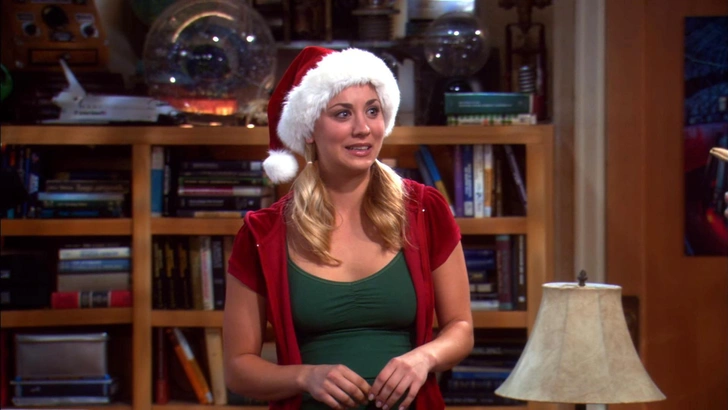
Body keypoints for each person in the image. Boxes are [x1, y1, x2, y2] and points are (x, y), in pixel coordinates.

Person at [223, 46, 474, 410]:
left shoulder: (424, 210)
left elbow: (460, 328)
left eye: (373, 111)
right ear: (309, 129)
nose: (363, 128)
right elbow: (238, 368)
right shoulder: (264, 234)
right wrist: (305, 377)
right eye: (343, 114)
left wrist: (424, 358)